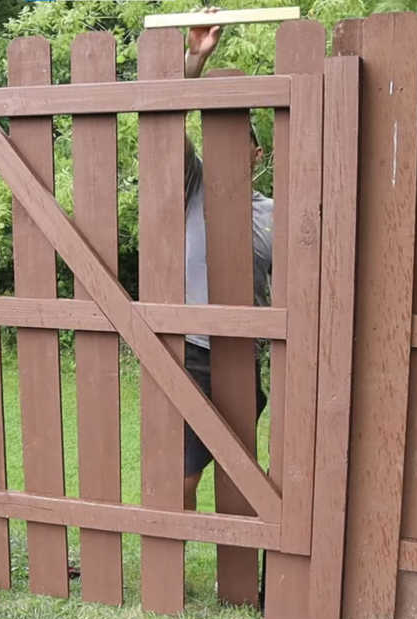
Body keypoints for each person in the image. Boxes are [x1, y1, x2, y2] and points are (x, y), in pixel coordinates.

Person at [180, 10, 274, 511]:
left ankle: (231, 574)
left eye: (239, 140)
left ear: (256, 155)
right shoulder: (194, 188)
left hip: (243, 357)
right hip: (191, 355)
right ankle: (171, 572)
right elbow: (164, 122)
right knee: (183, 478)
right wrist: (194, 60)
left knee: (241, 477)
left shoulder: (273, 216)